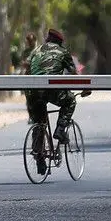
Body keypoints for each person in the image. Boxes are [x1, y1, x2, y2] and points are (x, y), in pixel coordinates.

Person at [24, 29, 91, 174]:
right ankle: (60, 130)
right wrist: (85, 88)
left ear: (47, 39)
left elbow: (27, 69)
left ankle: (39, 159)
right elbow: (74, 73)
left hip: (32, 92)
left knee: (39, 123)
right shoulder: (63, 51)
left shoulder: (36, 50)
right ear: (60, 41)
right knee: (70, 101)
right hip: (52, 90)